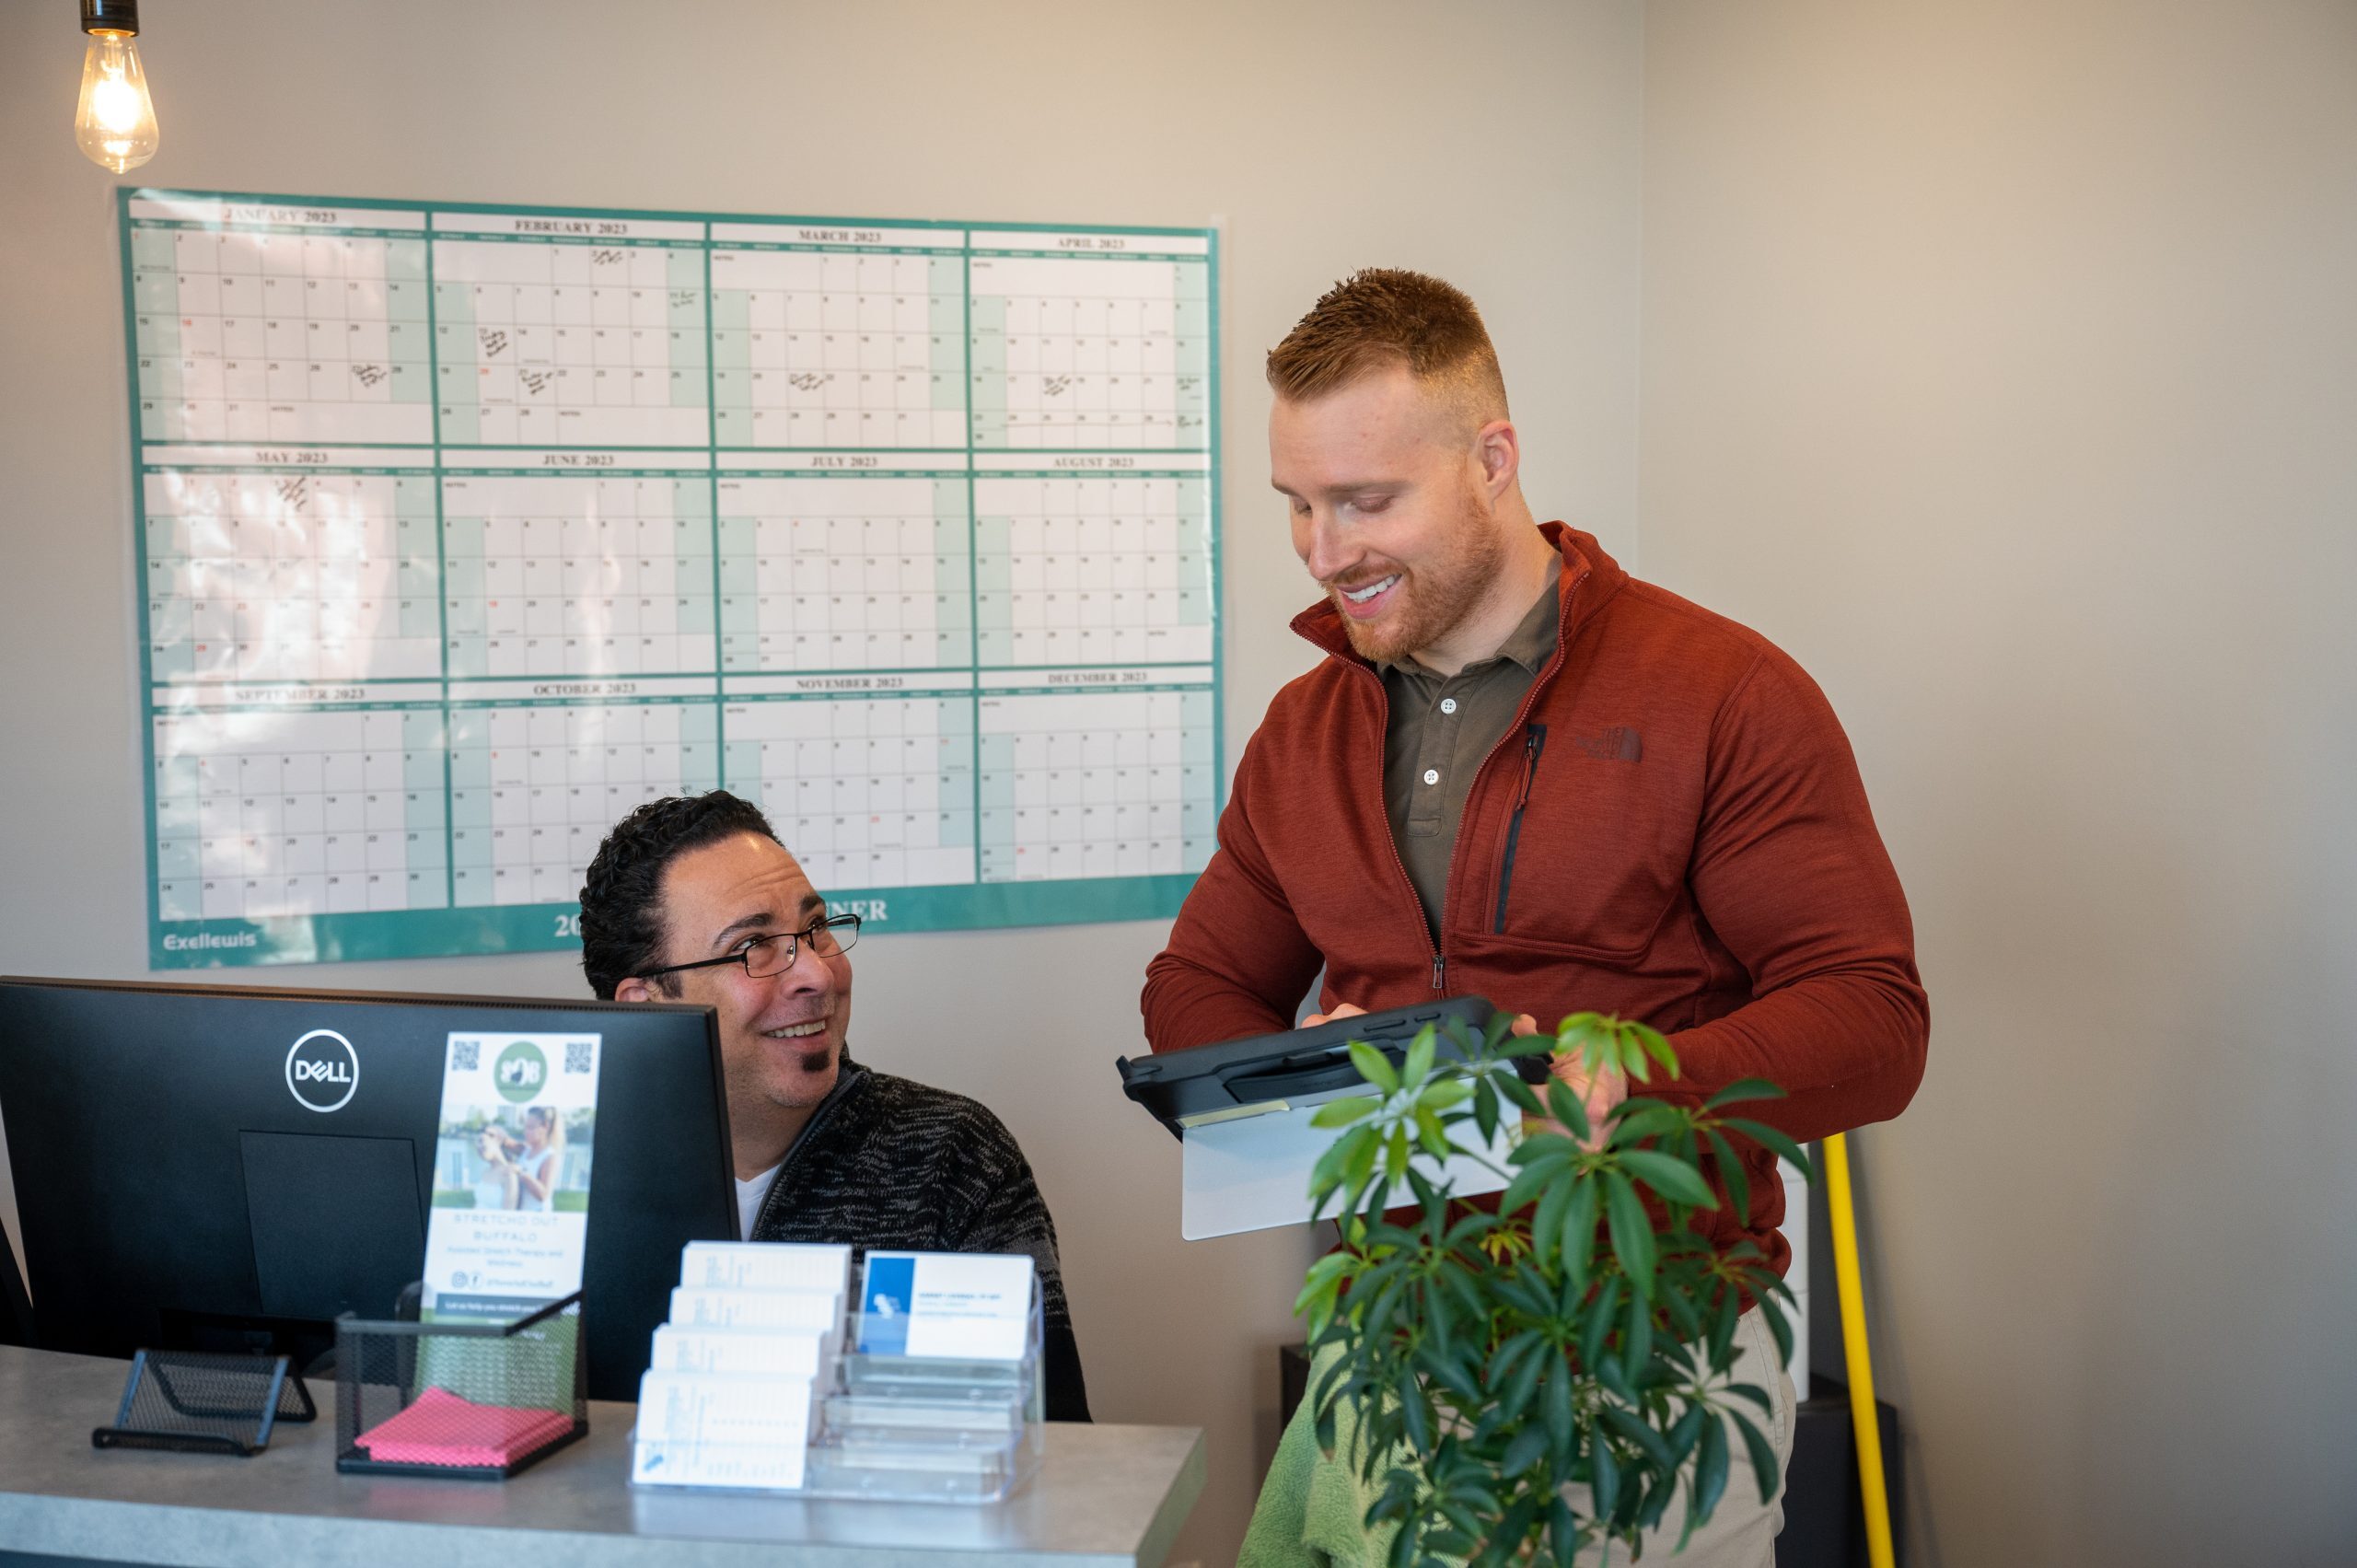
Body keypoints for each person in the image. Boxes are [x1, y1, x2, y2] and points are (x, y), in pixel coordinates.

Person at [1142, 270, 1929, 1564]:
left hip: (1653, 1350)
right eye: (1297, 503)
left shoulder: (1724, 691)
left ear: (1491, 460)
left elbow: (1876, 1017)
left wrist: (1639, 1083)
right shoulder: (1304, 729)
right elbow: (1195, 984)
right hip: (1401, 1332)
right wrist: (1306, 1061)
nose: (1325, 550)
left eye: (1366, 500)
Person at [579, 789, 1090, 1422]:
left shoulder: (951, 1158)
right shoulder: (558, 1178)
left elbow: (1056, 1458)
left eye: (815, 929)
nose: (818, 974)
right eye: (753, 948)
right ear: (646, 1004)